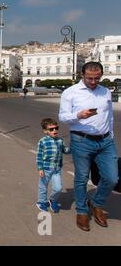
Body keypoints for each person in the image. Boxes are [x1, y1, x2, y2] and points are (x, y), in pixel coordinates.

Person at [59, 61, 119, 231]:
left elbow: (109, 117)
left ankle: (96, 203)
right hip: (81, 141)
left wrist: (111, 135)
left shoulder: (105, 91)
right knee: (81, 178)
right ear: (82, 75)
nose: (93, 81)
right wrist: (78, 115)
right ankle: (82, 211)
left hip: (106, 141)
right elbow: (63, 117)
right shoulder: (70, 93)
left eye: (97, 78)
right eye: (90, 78)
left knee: (112, 178)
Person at [36, 118, 70, 213]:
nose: (54, 130)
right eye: (51, 129)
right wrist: (40, 168)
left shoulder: (59, 140)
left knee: (58, 187)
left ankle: (52, 200)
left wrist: (73, 148)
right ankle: (41, 202)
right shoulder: (42, 141)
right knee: (43, 186)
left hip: (57, 169)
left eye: (56, 128)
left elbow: (65, 150)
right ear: (45, 131)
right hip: (46, 168)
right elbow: (39, 156)